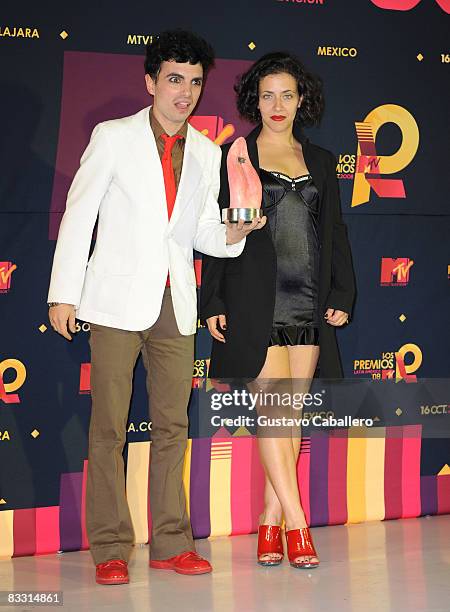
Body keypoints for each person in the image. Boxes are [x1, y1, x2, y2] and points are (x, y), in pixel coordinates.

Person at [47, 30, 265, 584]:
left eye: (194, 82)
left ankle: (171, 541)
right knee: (108, 429)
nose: (184, 93)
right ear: (150, 81)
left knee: (172, 426)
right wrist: (63, 291)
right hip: (115, 300)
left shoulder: (207, 151)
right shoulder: (113, 137)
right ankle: (110, 547)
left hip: (175, 301)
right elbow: (80, 215)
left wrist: (238, 230)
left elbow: (201, 234)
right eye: (174, 79)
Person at [201, 52, 356, 569]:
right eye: (267, 94)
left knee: (290, 420)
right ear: (254, 100)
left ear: (302, 99)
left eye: (287, 94)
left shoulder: (323, 160)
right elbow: (217, 231)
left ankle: (268, 523)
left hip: (308, 300)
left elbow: (336, 232)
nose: (277, 104)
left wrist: (341, 294)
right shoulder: (236, 154)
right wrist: (215, 299)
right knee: (273, 417)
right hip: (253, 298)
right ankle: (298, 525)